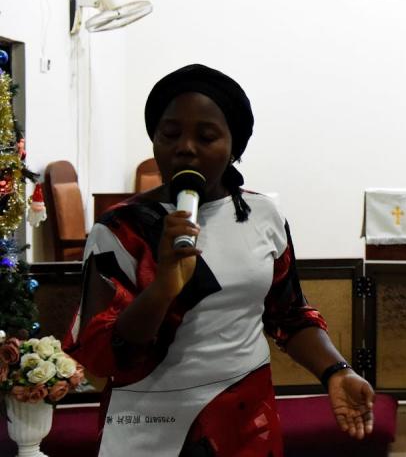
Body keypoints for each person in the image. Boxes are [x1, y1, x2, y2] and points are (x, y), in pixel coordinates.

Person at [65, 64, 375, 456]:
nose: (186, 147)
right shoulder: (118, 230)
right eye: (170, 134)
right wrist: (162, 288)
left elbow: (289, 316)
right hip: (147, 423)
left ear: (234, 147)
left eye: (207, 136)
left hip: (244, 415)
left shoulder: (263, 216)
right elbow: (103, 353)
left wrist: (336, 371)